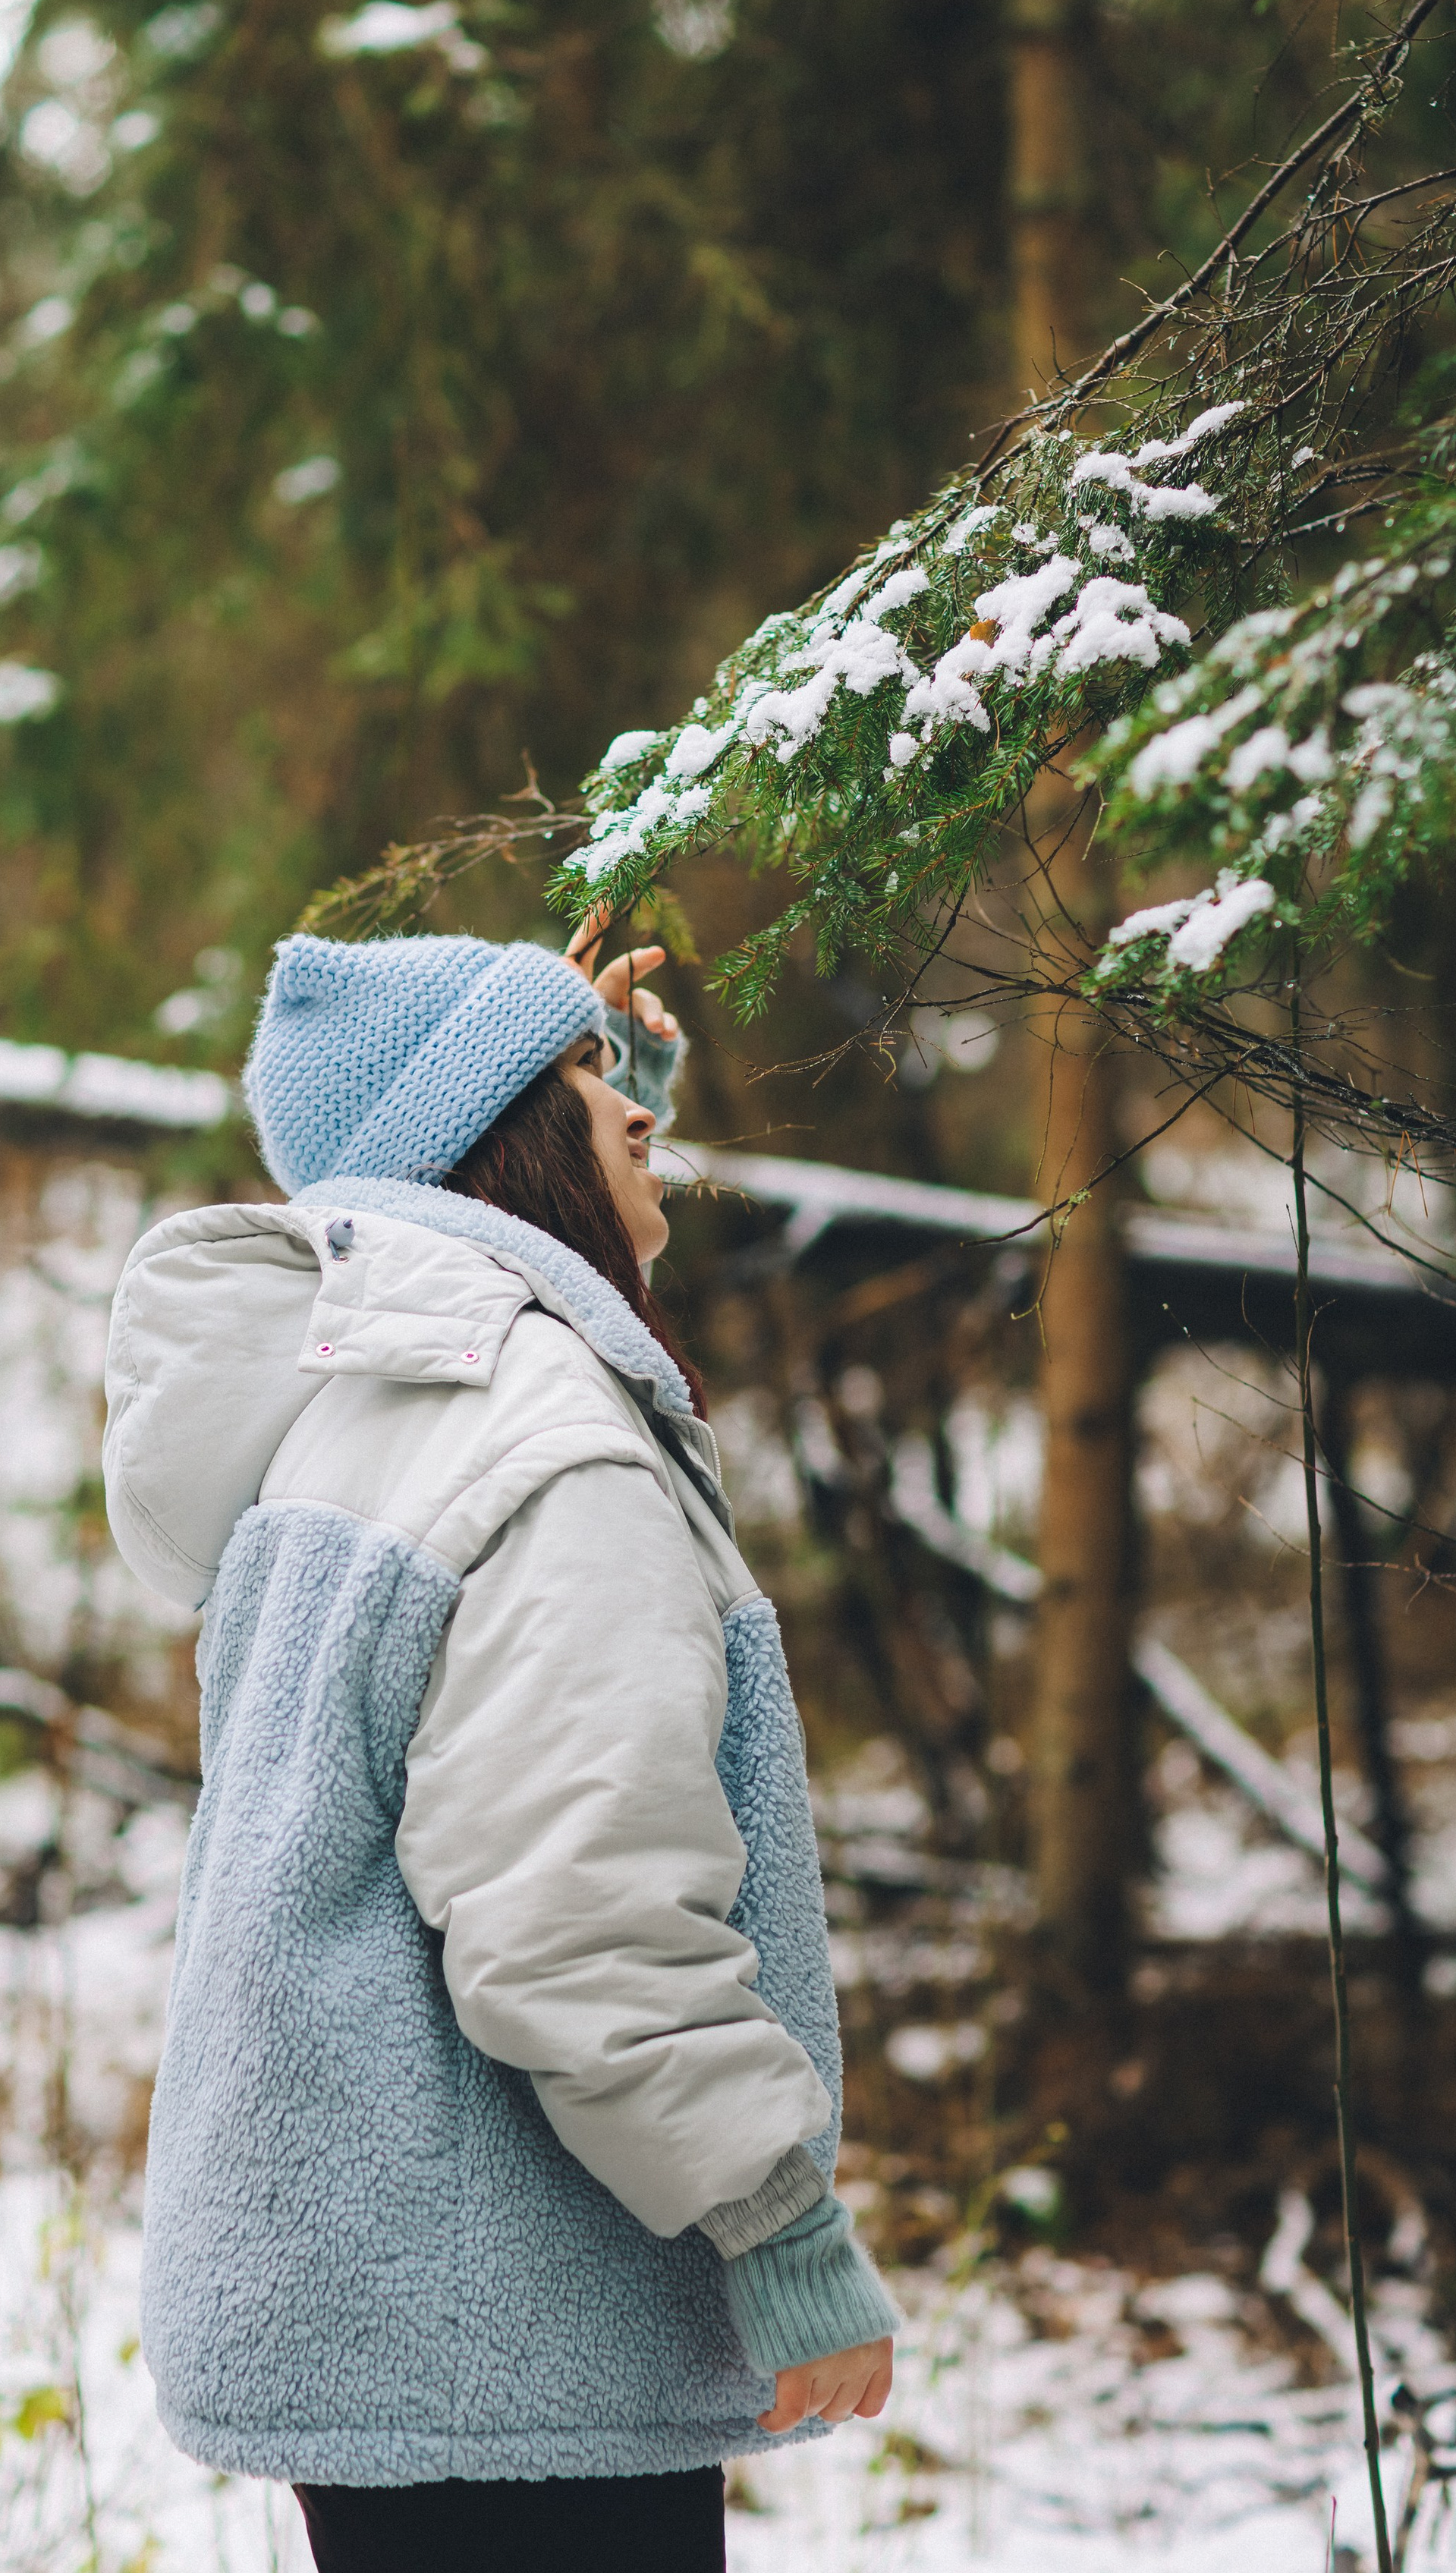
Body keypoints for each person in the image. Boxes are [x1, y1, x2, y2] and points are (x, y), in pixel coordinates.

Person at [102, 917, 895, 2571]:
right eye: (596, 1080)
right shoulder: (548, 1439)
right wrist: (778, 2220)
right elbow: (575, 1908)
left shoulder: (369, 1399)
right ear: (507, 1140)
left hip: (390, 2308)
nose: (645, 1105)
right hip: (510, 2353)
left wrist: (584, 1082)